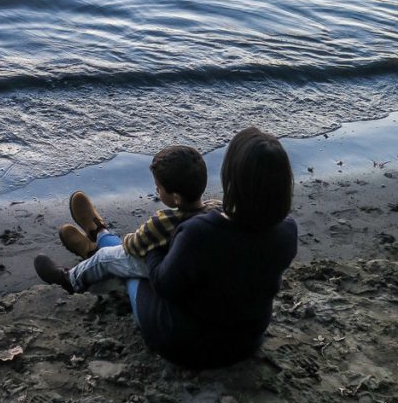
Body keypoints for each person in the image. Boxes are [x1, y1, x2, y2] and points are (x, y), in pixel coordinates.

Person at [35, 127, 297, 368]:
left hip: (185, 342)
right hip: (247, 340)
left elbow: (164, 283)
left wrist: (152, 247)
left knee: (132, 261)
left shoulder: (202, 232)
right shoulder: (287, 230)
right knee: (143, 257)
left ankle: (88, 257)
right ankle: (98, 239)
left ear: (232, 177)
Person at [35, 145, 219, 296]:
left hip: (168, 270)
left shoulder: (164, 222)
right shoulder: (217, 208)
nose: (157, 192)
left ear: (176, 198)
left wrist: (131, 238)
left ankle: (71, 278)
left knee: (106, 257)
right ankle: (98, 234)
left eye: (159, 188)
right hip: (190, 269)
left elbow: (131, 246)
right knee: (116, 256)